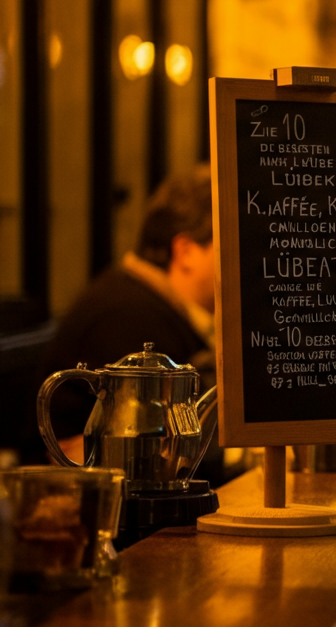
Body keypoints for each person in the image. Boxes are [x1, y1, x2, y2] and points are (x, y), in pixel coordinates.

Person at [40, 167, 218, 468]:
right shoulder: (130, 316)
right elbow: (169, 453)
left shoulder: (156, 304)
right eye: (230, 244)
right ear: (186, 251)